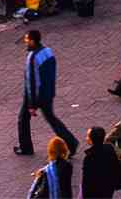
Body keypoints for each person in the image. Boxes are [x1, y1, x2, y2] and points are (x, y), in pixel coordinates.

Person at [18, 29, 76, 159]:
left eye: (27, 40)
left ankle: (26, 147)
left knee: (23, 119)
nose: (26, 42)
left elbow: (32, 82)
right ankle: (71, 144)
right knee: (52, 119)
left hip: (35, 95)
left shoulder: (32, 57)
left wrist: (32, 104)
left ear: (32, 41)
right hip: (48, 92)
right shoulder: (48, 51)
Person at [81, 127, 121, 199]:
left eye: (88, 136)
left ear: (92, 140)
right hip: (108, 187)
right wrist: (117, 184)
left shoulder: (89, 157)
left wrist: (85, 195)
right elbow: (116, 167)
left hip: (95, 191)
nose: (86, 138)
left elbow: (87, 180)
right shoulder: (109, 148)